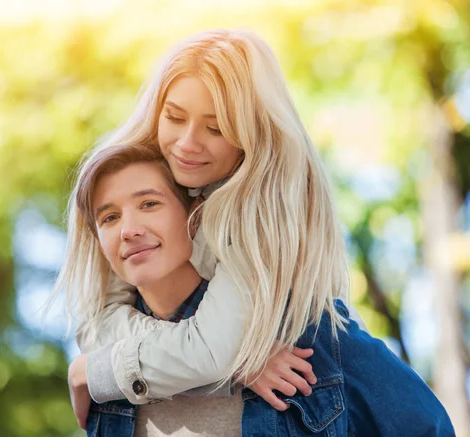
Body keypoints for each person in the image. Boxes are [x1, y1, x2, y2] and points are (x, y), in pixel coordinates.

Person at [53, 29, 455, 435]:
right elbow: (99, 325)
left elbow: (426, 423)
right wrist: (228, 366)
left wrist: (98, 371)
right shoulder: (117, 384)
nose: (187, 143)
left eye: (216, 127)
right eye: (174, 117)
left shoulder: (307, 342)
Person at [65, 143, 454, 436]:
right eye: (110, 217)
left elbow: (426, 425)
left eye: (149, 204)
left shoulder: (305, 335)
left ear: (195, 218)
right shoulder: (107, 372)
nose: (128, 228)